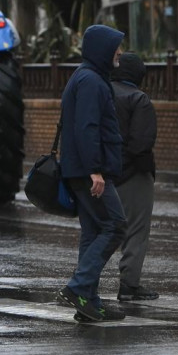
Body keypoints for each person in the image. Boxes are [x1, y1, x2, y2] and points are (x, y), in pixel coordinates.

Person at [57, 24, 128, 323]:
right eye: (116, 47)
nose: (120, 53)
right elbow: (87, 129)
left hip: (82, 169)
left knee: (93, 232)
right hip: (89, 172)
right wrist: (95, 170)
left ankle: (89, 302)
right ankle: (77, 287)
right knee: (115, 225)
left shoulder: (88, 77)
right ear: (102, 49)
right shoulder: (90, 81)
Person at [110, 52, 159, 302]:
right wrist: (144, 169)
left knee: (103, 229)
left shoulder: (103, 93)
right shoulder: (138, 99)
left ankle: (83, 280)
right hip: (133, 174)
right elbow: (141, 143)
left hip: (103, 173)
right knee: (136, 229)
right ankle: (129, 284)